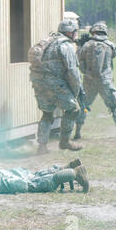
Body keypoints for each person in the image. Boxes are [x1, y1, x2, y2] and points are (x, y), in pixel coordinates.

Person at [29, 20, 83, 155]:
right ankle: (65, 141)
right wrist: (75, 92)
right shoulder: (66, 46)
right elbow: (72, 72)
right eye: (75, 32)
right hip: (56, 84)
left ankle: (42, 146)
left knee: (47, 113)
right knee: (73, 109)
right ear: (71, 32)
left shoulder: (48, 43)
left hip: (39, 83)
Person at [74, 22, 116, 140]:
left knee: (84, 106)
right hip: (106, 81)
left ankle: (77, 132)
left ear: (93, 32)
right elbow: (115, 54)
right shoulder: (111, 45)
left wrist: (80, 46)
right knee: (115, 105)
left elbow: (79, 60)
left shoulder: (87, 45)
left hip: (89, 81)